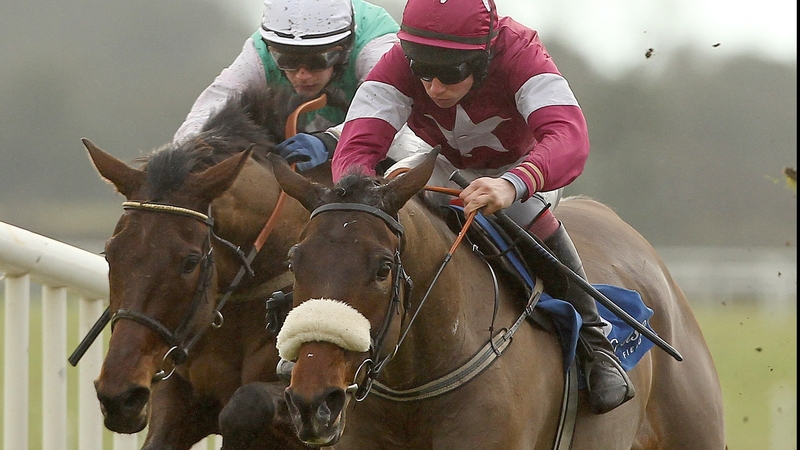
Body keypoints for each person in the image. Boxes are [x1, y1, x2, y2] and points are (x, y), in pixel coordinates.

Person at [331, 0, 635, 414]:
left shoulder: (520, 51)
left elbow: (569, 136)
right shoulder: (398, 61)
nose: (434, 88)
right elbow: (355, 149)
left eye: (450, 73)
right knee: (381, 202)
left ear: (484, 56)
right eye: (423, 71)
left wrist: (513, 184)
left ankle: (597, 346)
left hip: (523, 169)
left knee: (519, 215)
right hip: (441, 162)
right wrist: (362, 200)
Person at [173, 0, 423, 171]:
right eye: (287, 61)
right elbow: (214, 103)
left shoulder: (377, 45)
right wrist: (187, 152)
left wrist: (329, 141)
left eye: (318, 60)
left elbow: (390, 116)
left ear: (345, 48)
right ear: (272, 49)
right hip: (318, 138)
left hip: (407, 137)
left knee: (407, 149)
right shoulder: (260, 50)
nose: (302, 75)